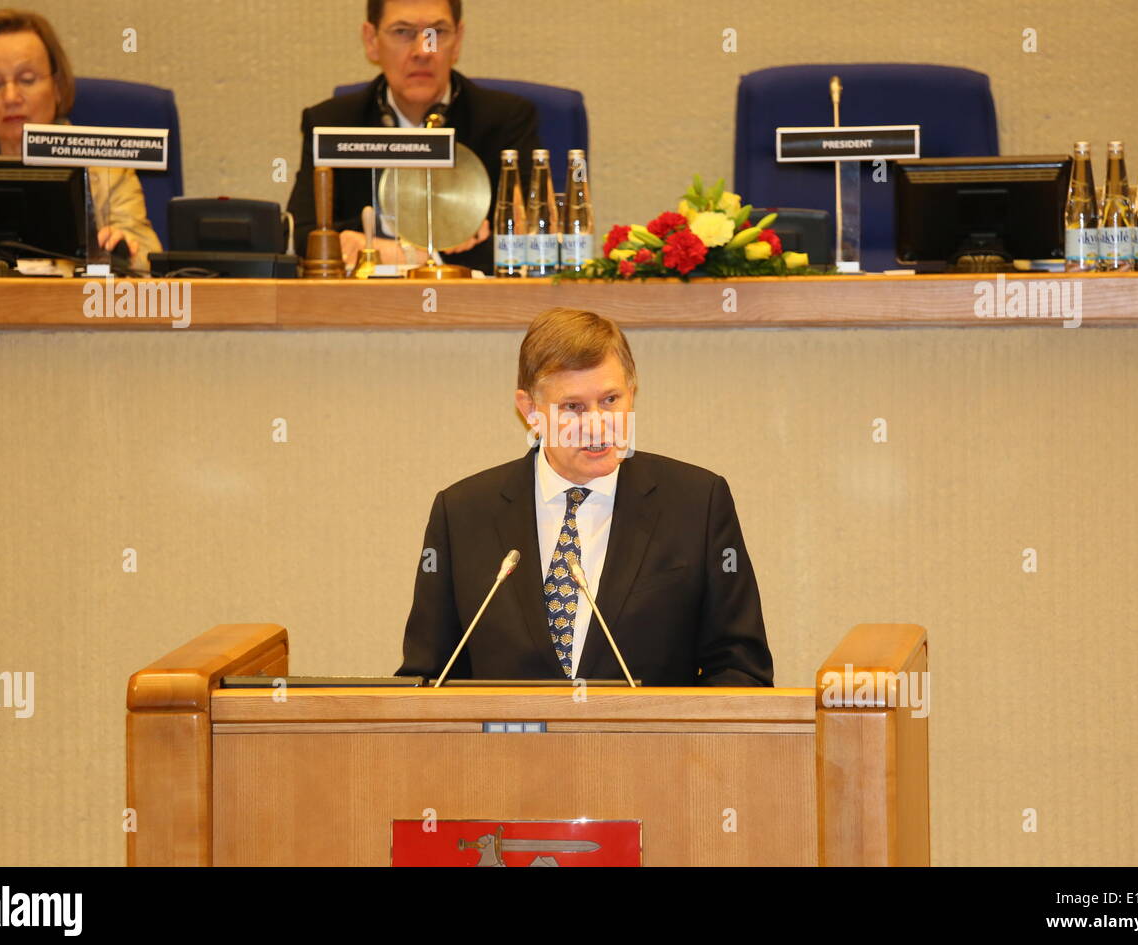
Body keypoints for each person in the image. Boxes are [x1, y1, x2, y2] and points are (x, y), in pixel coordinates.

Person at [398, 308, 775, 686]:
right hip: (506, 745)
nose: (596, 423)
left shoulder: (698, 503)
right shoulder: (463, 514)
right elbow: (427, 677)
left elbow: (740, 670)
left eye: (610, 400)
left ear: (632, 392)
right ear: (530, 410)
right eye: (573, 407)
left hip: (651, 744)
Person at [286, 0, 541, 274]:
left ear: (458, 41)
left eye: (438, 32)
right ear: (371, 40)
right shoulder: (331, 122)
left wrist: (404, 255)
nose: (423, 50)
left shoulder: (505, 120)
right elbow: (304, 234)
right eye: (402, 32)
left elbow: (527, 238)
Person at [0, 8, 162, 273]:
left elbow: (150, 257)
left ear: (57, 87)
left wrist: (123, 251)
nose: (10, 97)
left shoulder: (108, 170)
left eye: (27, 79)